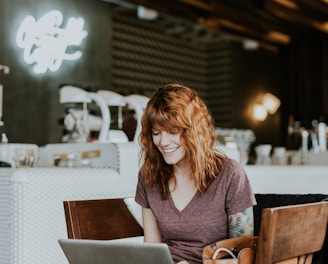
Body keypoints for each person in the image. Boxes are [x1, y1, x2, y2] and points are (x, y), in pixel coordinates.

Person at [135, 84, 256, 264]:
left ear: (193, 131)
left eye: (173, 132)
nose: (163, 142)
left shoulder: (229, 173)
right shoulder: (149, 176)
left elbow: (245, 256)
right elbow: (152, 250)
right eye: (156, 133)